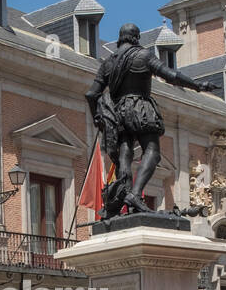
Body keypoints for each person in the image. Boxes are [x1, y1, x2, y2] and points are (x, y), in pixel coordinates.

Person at [85, 23, 219, 217]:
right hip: (141, 109)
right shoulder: (143, 55)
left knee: (125, 155)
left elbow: (91, 94)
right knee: (153, 152)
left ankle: (126, 199)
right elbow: (171, 76)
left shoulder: (107, 63)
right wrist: (198, 85)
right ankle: (135, 195)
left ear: (120, 38)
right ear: (136, 38)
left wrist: (98, 118)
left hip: (118, 113)